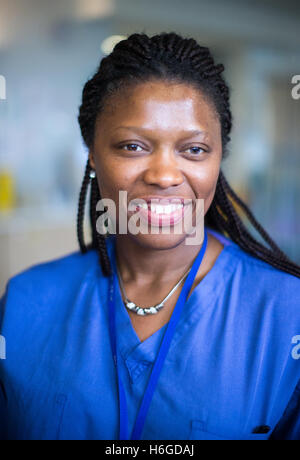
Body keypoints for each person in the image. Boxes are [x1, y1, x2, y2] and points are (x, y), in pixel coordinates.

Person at [0, 32, 300, 441]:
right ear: (92, 152)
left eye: (194, 150)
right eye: (132, 146)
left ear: (218, 159)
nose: (163, 175)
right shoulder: (26, 302)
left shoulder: (286, 312)